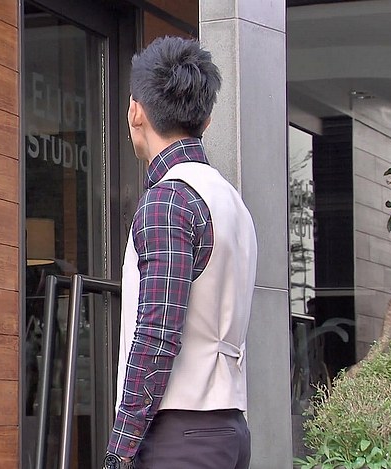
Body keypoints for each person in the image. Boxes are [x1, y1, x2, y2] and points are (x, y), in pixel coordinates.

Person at [103, 37, 258, 469]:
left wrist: (119, 451)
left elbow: (158, 332)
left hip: (178, 436)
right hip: (229, 427)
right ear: (207, 119)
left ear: (135, 111)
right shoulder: (231, 201)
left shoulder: (169, 199)